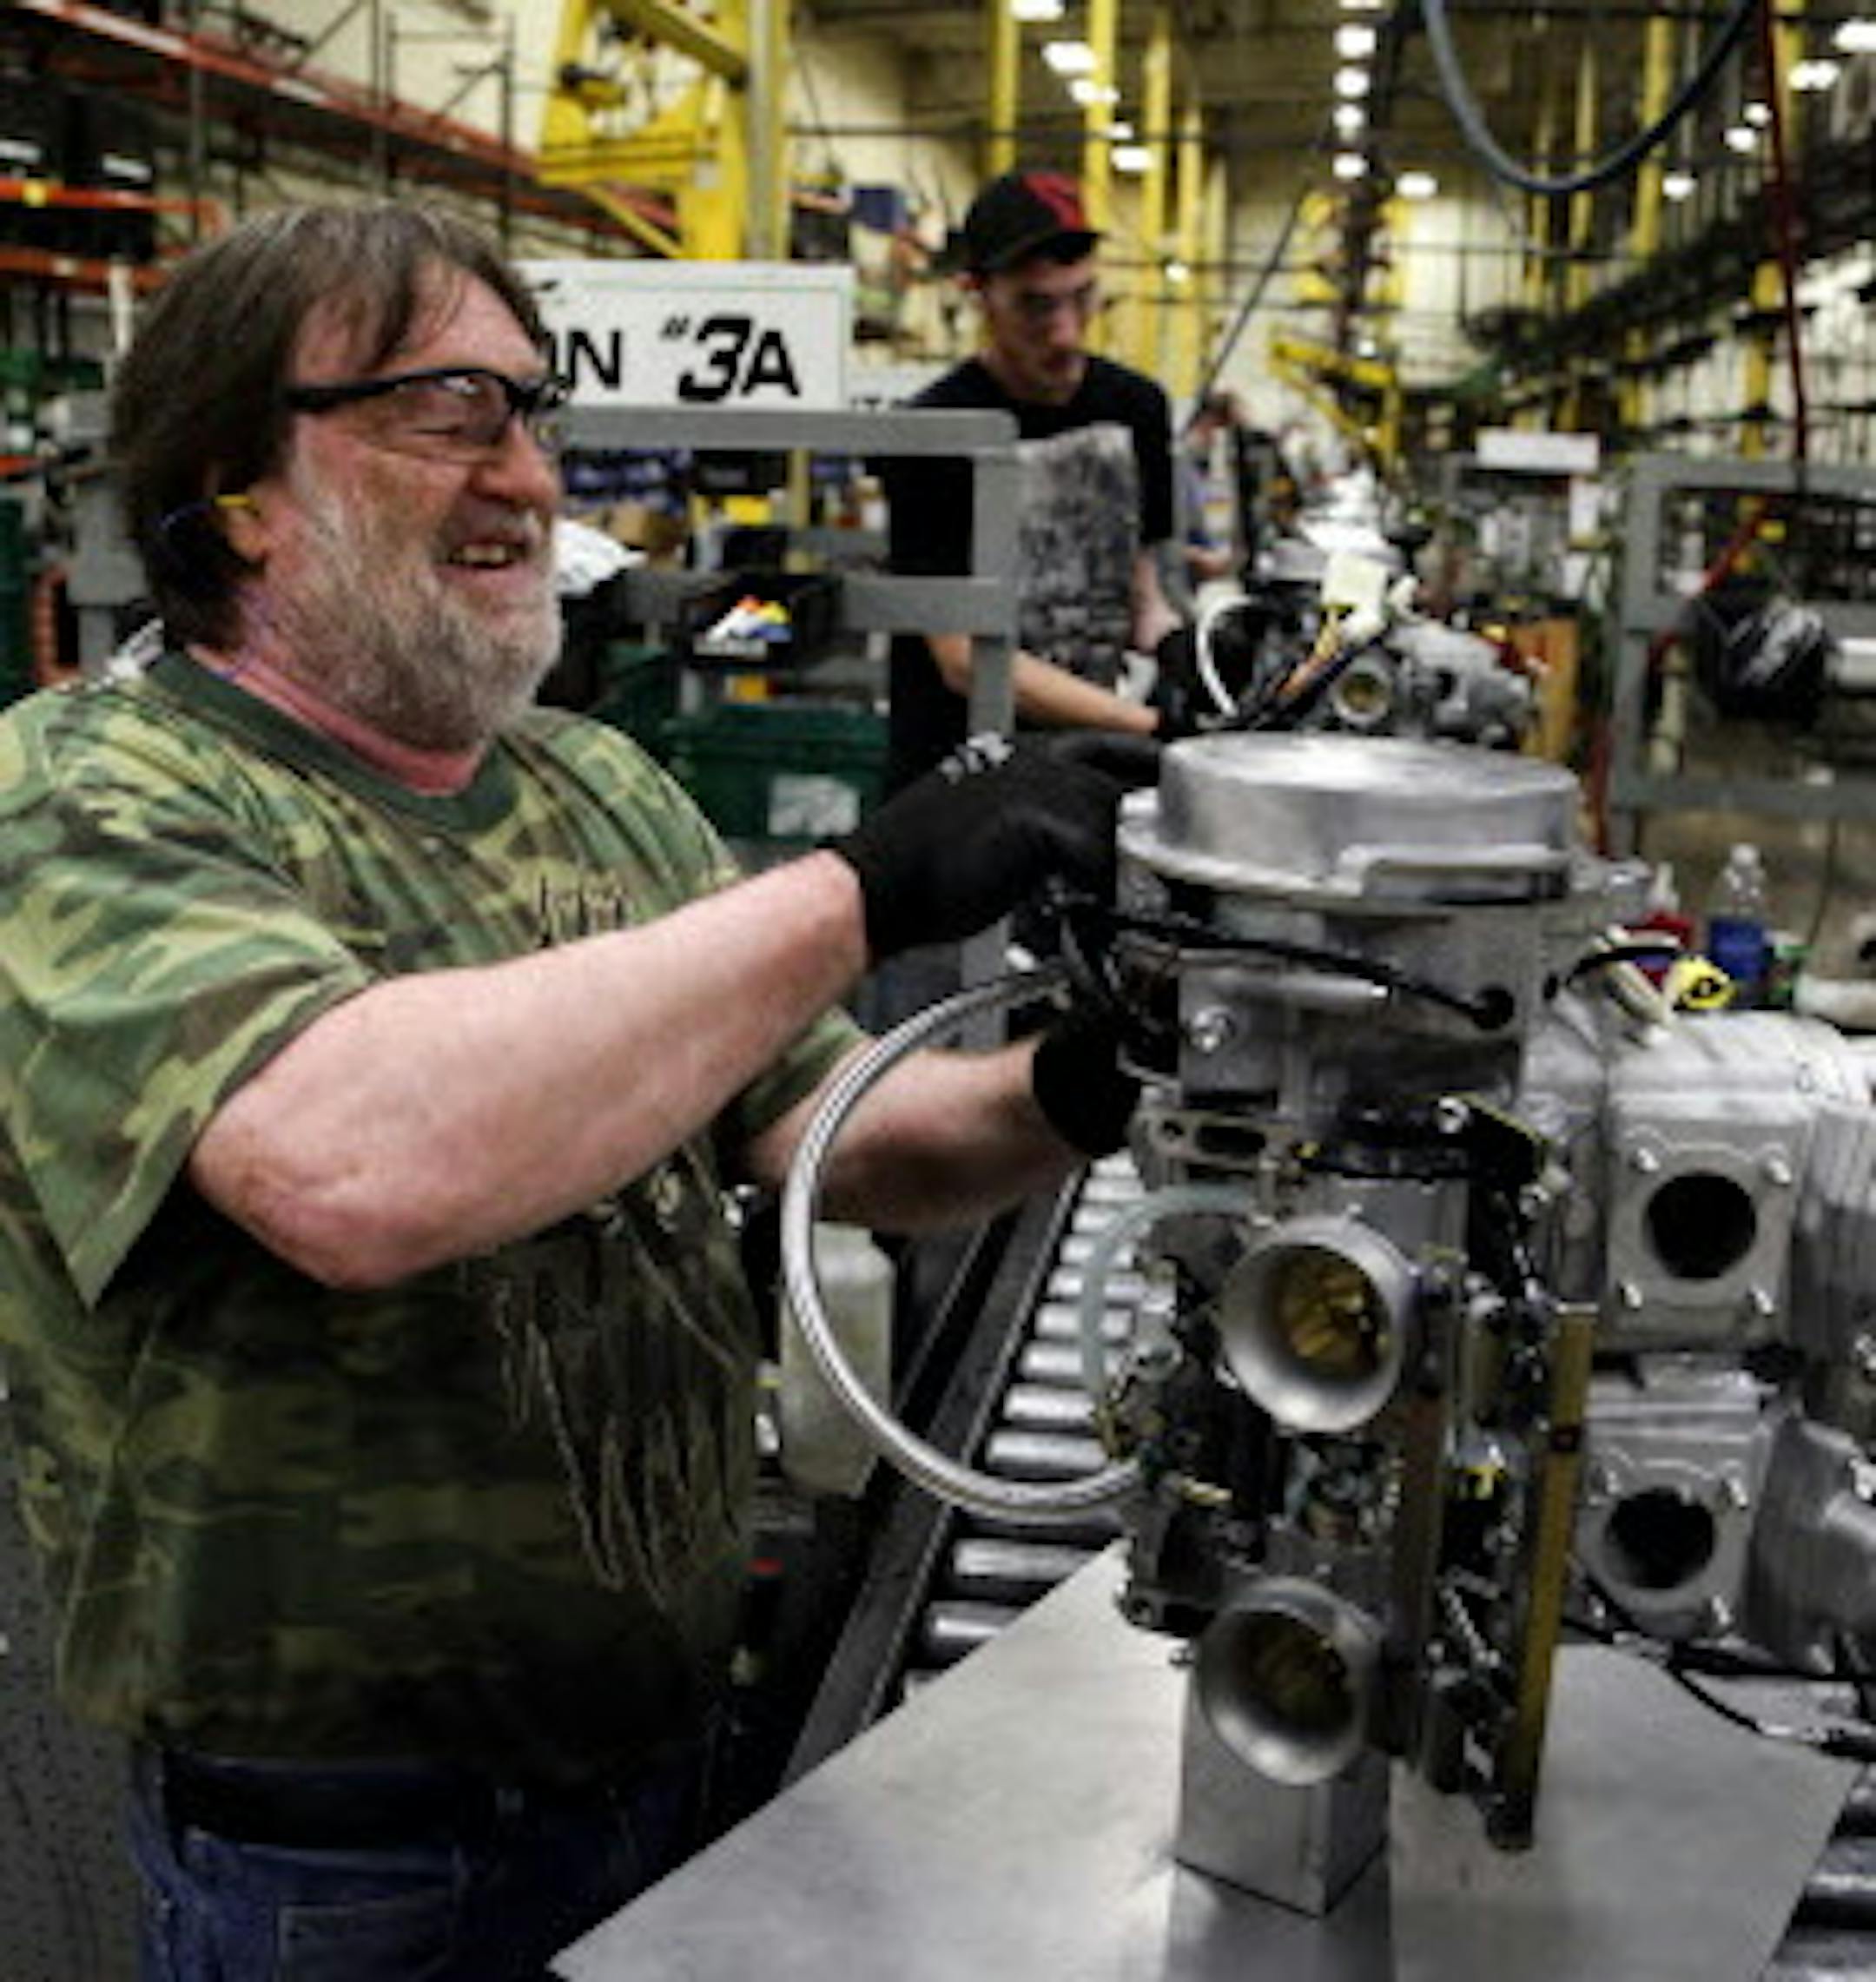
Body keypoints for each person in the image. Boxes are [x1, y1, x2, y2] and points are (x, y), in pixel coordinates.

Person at [0, 202, 1150, 1982]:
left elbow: (857, 1142)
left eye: (538, 418)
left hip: (675, 1757)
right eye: (454, 413)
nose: (530, 481)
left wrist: (1096, 1073)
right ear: (235, 483)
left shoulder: (599, 787)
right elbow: (349, 1164)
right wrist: (860, 891)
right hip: (350, 1854)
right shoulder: (92, 789)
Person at [881, 168, 1184, 791]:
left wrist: (1194, 661)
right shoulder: (933, 431)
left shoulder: (1136, 407)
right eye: (1035, 307)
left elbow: (1143, 598)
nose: (1066, 333)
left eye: (1083, 297)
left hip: (1094, 768)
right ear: (978, 293)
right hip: (958, 781)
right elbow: (961, 657)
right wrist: (1151, 726)